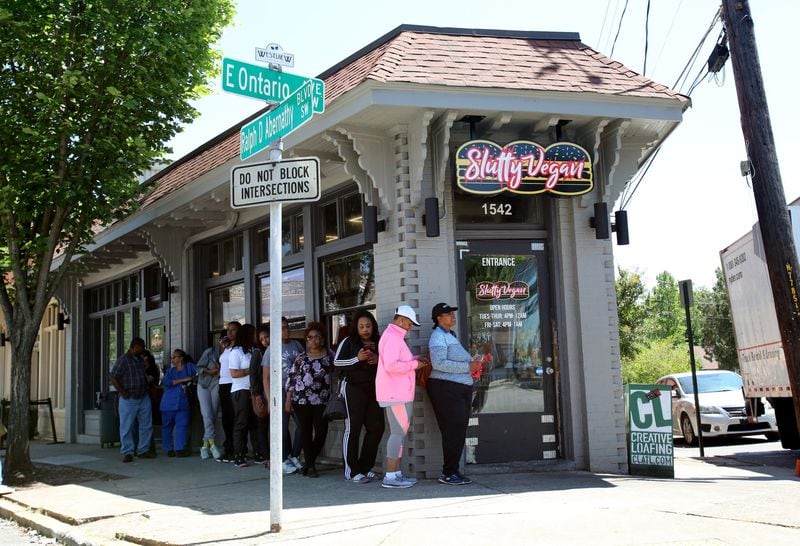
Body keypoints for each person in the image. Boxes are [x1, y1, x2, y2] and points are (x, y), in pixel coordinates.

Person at [376, 305, 430, 488]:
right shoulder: (392, 337)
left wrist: (414, 360)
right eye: (409, 323)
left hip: (397, 393)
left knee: (398, 433)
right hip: (395, 394)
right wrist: (415, 365)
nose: (410, 327)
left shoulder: (393, 337)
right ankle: (390, 477)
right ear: (400, 319)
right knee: (397, 433)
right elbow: (391, 366)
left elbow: (397, 362)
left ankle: (396, 474)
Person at [427, 302, 479, 485]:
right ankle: (449, 473)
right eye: (448, 314)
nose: (452, 316)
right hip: (445, 389)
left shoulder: (451, 335)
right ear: (439, 318)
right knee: (452, 430)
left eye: (452, 313)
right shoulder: (437, 337)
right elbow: (439, 363)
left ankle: (452, 470)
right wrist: (467, 367)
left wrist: (473, 367)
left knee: (458, 430)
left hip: (458, 388)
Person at [334, 310, 385, 483]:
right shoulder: (348, 342)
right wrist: (357, 358)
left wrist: (378, 359)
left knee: (377, 427)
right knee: (353, 428)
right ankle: (352, 470)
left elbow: (389, 361)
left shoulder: (380, 341)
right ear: (356, 327)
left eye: (368, 326)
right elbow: (336, 362)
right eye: (361, 326)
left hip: (374, 390)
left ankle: (365, 468)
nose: (365, 329)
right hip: (353, 389)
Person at [284, 321, 333, 478]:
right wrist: (288, 399)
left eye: (317, 337)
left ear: (322, 339)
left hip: (322, 400)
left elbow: (339, 373)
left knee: (321, 431)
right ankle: (310, 466)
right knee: (305, 431)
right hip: (302, 400)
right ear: (306, 340)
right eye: (310, 337)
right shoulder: (301, 358)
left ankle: (308, 461)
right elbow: (291, 379)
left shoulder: (330, 355)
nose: (314, 340)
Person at [262, 317, 304, 474]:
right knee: (281, 426)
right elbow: (265, 376)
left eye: (287, 327)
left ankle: (294, 455)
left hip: (296, 391)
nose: (286, 330)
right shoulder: (271, 349)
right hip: (279, 391)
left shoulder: (297, 345)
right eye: (282, 328)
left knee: (302, 424)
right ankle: (282, 458)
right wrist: (269, 398)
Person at [110, 338, 156, 462]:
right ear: (135, 347)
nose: (144, 349)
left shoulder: (141, 360)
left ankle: (143, 450)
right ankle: (127, 452)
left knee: (146, 425)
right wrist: (122, 392)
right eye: (142, 347)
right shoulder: (123, 360)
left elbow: (143, 376)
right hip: (128, 397)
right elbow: (113, 377)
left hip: (143, 396)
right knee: (127, 426)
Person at [228, 323, 257, 468]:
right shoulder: (236, 352)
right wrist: (250, 370)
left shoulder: (253, 350)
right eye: (253, 334)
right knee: (241, 422)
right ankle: (238, 454)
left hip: (252, 390)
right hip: (240, 390)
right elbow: (234, 373)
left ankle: (257, 452)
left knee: (254, 422)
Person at [160, 349, 197, 457]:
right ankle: (168, 449)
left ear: (181, 358)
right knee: (167, 426)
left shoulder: (189, 367)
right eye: (172, 357)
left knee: (182, 425)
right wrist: (184, 380)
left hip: (183, 403)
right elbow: (167, 382)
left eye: (174, 357)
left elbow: (197, 372)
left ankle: (180, 448)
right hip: (168, 404)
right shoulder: (170, 371)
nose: (172, 359)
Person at [196, 332, 227, 460]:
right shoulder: (210, 351)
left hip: (217, 383)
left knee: (212, 414)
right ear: (219, 340)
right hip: (203, 384)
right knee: (207, 414)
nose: (225, 343)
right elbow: (198, 368)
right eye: (223, 340)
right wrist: (210, 371)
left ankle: (204, 445)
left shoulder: (230, 353)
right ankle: (213, 445)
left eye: (227, 341)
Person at [216, 321, 240, 463]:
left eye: (233, 330)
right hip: (223, 383)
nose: (230, 333)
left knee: (234, 417)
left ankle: (235, 449)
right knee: (226, 418)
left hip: (234, 383)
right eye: (228, 330)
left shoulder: (239, 348)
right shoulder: (226, 347)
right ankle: (228, 447)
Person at [250, 323, 270, 465]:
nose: (265, 341)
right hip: (262, 394)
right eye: (262, 339)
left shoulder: (276, 350)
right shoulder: (258, 353)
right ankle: (266, 455)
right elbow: (253, 376)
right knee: (262, 425)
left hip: (277, 392)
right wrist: (257, 395)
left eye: (267, 337)